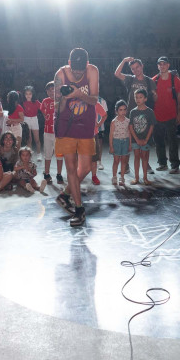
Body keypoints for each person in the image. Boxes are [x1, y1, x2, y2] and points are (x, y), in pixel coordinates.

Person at [54, 48, 99, 227]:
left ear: (86, 65)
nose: (78, 73)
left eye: (81, 70)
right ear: (69, 63)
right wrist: (65, 98)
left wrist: (79, 94)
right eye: (75, 70)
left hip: (86, 124)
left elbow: (95, 100)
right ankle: (79, 210)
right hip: (66, 126)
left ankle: (65, 194)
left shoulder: (93, 70)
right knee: (71, 168)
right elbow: (58, 106)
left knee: (86, 167)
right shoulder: (60, 74)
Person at [151, 56, 180, 174]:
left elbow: (179, 100)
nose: (162, 66)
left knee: (172, 141)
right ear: (158, 66)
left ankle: (175, 165)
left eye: (164, 64)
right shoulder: (154, 80)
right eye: (160, 64)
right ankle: (162, 163)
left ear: (168, 65)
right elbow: (152, 99)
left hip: (171, 115)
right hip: (157, 116)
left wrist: (179, 115)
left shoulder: (175, 80)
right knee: (158, 141)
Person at [128, 89, 156, 185]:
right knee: (136, 157)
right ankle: (136, 178)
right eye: (136, 97)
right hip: (136, 139)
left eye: (140, 97)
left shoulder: (150, 112)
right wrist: (136, 139)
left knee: (144, 157)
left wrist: (146, 139)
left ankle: (145, 178)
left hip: (146, 139)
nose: (138, 99)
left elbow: (152, 126)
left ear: (145, 99)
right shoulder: (133, 112)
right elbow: (131, 127)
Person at [40, 81, 64, 185]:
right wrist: (46, 117)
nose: (52, 91)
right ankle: (47, 173)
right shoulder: (45, 101)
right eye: (50, 90)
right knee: (48, 153)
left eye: (54, 89)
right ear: (47, 91)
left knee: (59, 154)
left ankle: (59, 174)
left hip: (59, 132)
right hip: (47, 132)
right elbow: (42, 110)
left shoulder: (62, 100)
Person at [109, 100, 131, 186]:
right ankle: (114, 177)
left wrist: (129, 144)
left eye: (124, 109)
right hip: (116, 142)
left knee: (124, 161)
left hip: (125, 142)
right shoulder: (114, 122)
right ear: (116, 111)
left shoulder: (128, 121)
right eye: (120, 110)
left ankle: (122, 177)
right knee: (116, 161)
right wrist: (111, 146)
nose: (123, 112)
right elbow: (111, 135)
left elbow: (129, 133)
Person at [90, 97, 107, 186]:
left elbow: (104, 115)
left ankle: (94, 176)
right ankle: (78, 175)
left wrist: (99, 124)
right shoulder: (78, 103)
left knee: (94, 158)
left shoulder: (95, 103)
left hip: (93, 134)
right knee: (79, 157)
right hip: (80, 135)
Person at [21, 86, 42, 157]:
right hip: (26, 119)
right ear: (24, 95)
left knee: (37, 139)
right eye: (26, 94)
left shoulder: (36, 102)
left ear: (32, 94)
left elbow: (43, 109)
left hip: (34, 119)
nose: (28, 95)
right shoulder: (23, 102)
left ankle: (39, 154)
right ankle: (30, 155)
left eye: (30, 94)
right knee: (29, 139)